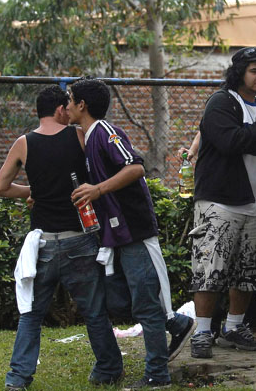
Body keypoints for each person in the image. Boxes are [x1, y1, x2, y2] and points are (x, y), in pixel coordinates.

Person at [67, 78, 194, 389]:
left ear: (82, 105)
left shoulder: (107, 132)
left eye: (70, 100)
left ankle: (157, 376)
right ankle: (176, 323)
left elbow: (134, 168)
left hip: (134, 232)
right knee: (125, 301)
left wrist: (97, 189)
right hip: (116, 237)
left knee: (146, 306)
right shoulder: (89, 136)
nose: (66, 105)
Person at [0, 85, 124, 390]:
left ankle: (17, 379)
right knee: (93, 311)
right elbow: (97, 172)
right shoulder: (78, 136)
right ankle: (108, 369)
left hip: (42, 244)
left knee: (31, 314)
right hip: (78, 238)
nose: (70, 110)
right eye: (66, 106)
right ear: (59, 110)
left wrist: (32, 192)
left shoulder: (23, 143)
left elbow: (0, 187)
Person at [188, 47, 256, 359]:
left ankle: (233, 327)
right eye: (255, 71)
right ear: (239, 72)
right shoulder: (222, 102)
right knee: (209, 268)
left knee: (248, 271)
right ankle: (202, 333)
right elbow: (230, 142)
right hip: (220, 201)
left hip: (253, 203)